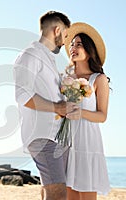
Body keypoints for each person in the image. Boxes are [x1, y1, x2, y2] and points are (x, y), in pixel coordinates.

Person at [14, 11, 78, 200]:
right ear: (57, 30)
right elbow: (22, 94)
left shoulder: (48, 59)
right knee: (57, 193)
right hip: (42, 136)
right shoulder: (31, 54)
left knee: (52, 191)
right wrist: (58, 108)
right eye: (65, 35)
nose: (65, 41)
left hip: (56, 136)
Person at [64, 22, 111, 200]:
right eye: (71, 44)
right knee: (69, 194)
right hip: (66, 141)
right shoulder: (65, 78)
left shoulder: (99, 79)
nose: (72, 48)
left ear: (89, 51)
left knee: (87, 193)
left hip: (87, 143)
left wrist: (80, 113)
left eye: (79, 44)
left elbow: (102, 115)